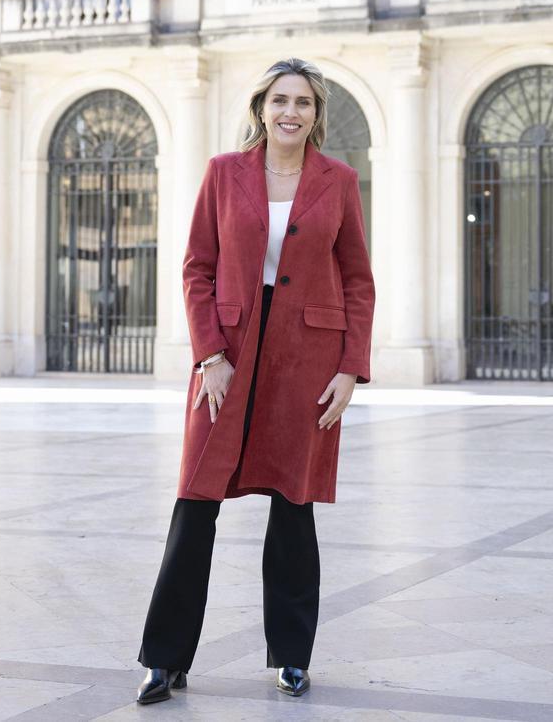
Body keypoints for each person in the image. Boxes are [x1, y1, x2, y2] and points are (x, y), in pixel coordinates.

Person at [135, 58, 375, 704]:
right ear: (261, 108)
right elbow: (196, 269)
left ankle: (292, 655)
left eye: (302, 102)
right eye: (279, 100)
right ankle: (164, 659)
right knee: (195, 504)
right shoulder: (223, 175)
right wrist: (209, 353)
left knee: (294, 510)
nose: (290, 112)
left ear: (316, 114)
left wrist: (351, 366)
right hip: (229, 357)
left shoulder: (340, 182)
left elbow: (357, 280)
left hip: (307, 361)